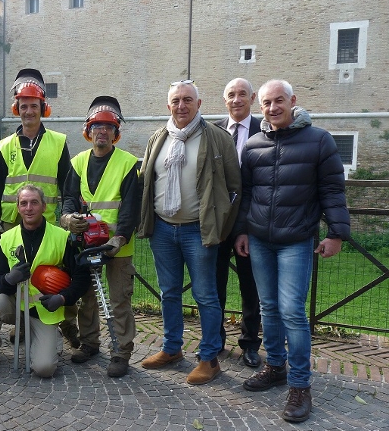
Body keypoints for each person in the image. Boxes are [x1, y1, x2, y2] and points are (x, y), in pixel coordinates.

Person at [234, 79, 350, 423]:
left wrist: (337, 233)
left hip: (296, 240)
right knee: (269, 308)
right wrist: (242, 230)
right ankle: (275, 367)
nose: (272, 108)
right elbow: (247, 193)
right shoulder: (254, 144)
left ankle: (300, 385)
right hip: (260, 241)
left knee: (292, 312)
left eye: (278, 101)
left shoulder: (319, 140)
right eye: (266, 103)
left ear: (293, 101)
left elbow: (333, 189)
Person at [137, 80, 241, 385]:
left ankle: (209, 358)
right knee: (168, 292)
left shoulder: (218, 138)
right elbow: (147, 180)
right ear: (167, 105)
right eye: (175, 101)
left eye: (187, 100)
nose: (181, 106)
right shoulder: (159, 137)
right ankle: (172, 349)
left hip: (198, 230)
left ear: (199, 103)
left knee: (205, 295)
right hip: (162, 229)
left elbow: (235, 188)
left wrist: (221, 227)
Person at [0, 68, 78, 347]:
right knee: (18, 274)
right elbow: (0, 183)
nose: (28, 111)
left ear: (43, 109)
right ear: (17, 109)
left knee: (53, 275)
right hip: (12, 222)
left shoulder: (58, 142)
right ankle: (22, 324)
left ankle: (66, 322)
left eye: (34, 106)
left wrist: (68, 214)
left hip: (48, 222)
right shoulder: (6, 145)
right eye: (23, 106)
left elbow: (68, 184)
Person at [0, 184, 90, 378]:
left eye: (34, 203)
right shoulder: (6, 239)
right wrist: (9, 278)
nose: (28, 208)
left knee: (44, 369)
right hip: (16, 303)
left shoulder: (62, 238)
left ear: (44, 206)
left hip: (44, 309)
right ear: (18, 208)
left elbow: (82, 278)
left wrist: (62, 299)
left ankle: (52, 336)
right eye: (24, 203)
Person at [59, 96, 140, 378]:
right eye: (97, 126)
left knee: (119, 300)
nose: (102, 132)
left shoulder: (128, 163)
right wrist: (69, 219)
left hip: (118, 244)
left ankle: (121, 352)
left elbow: (130, 208)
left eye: (108, 127)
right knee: (87, 297)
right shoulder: (78, 162)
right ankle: (89, 343)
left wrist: (119, 238)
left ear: (116, 133)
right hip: (85, 242)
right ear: (88, 131)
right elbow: (69, 197)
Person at [213, 78, 263, 367]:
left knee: (250, 286)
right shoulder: (214, 131)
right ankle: (215, 340)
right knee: (213, 284)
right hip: (218, 223)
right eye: (231, 94)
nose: (236, 99)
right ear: (225, 100)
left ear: (252, 98)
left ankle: (249, 344)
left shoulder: (264, 129)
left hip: (251, 222)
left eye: (242, 94)